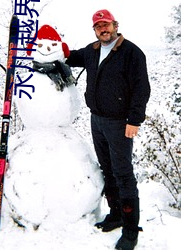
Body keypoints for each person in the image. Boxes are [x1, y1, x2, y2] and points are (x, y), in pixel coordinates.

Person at [66, 9, 150, 250]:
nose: (103, 29)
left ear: (115, 24)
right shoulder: (92, 51)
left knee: (123, 173)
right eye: (98, 26)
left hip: (120, 123)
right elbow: (70, 56)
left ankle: (131, 231)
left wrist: (134, 120)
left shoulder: (131, 52)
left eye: (106, 24)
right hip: (97, 120)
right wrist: (49, 47)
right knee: (108, 169)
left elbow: (141, 88)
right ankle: (116, 214)